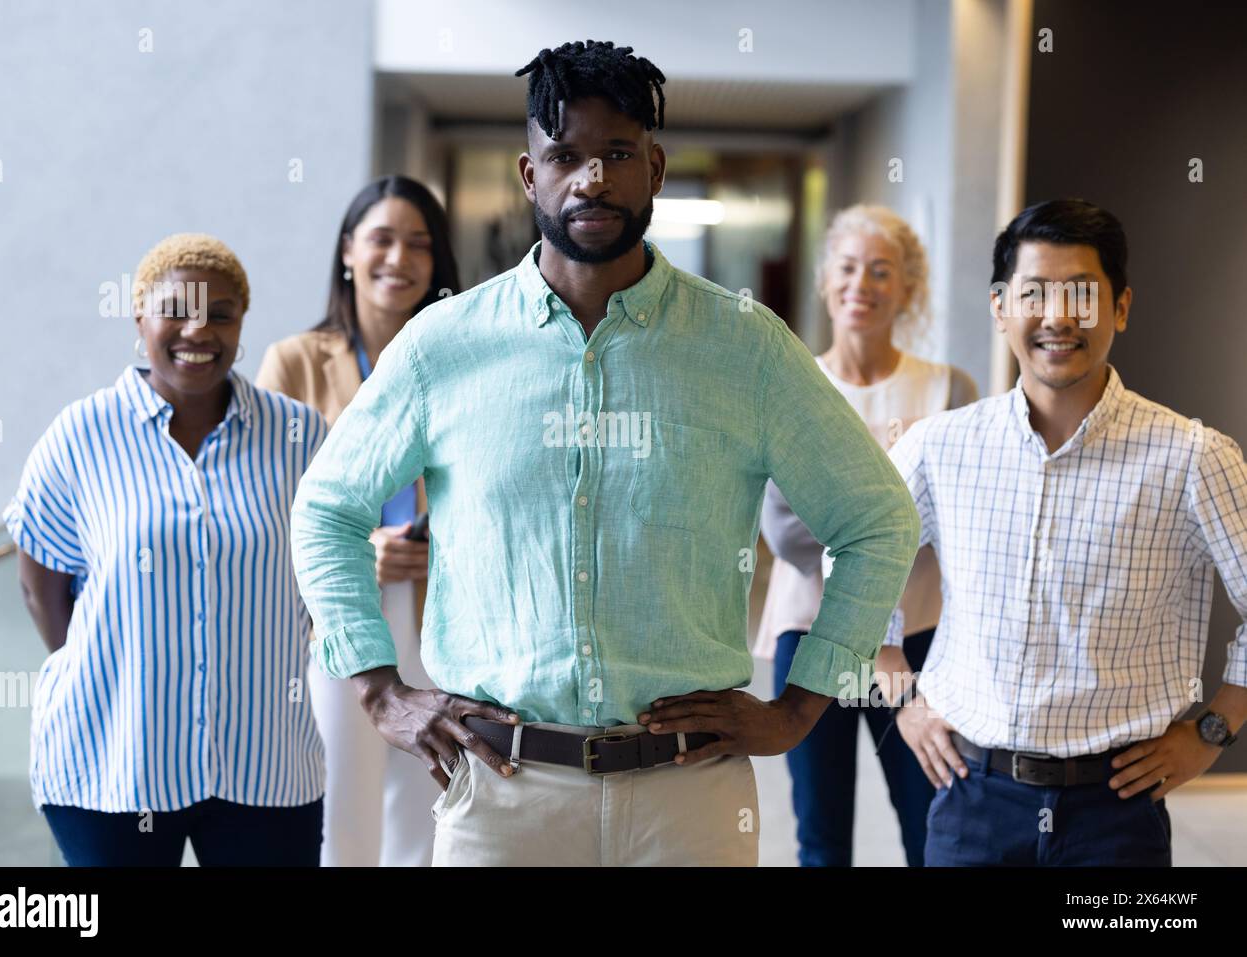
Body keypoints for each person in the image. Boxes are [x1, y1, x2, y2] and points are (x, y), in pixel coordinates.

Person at [290, 39, 920, 867]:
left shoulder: (745, 347)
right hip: (503, 791)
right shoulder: (443, 345)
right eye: (567, 156)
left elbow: (877, 520)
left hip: (689, 798)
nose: (592, 179)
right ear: (529, 176)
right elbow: (326, 506)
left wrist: (799, 707)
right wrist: (377, 688)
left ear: (655, 169)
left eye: (617, 154)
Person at [887, 199, 1247, 866]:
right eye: (1033, 293)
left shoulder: (1191, 456)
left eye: (1082, 293)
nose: (1057, 316)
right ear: (1001, 308)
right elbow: (849, 561)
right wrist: (896, 682)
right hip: (973, 797)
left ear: (1121, 308)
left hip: (1116, 811)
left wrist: (1216, 724)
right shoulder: (940, 446)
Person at [5, 233, 328, 866]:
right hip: (113, 760)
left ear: (241, 323)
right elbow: (39, 585)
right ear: (140, 318)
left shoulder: (299, 436)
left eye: (222, 313)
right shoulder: (80, 435)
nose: (198, 330)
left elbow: (322, 571)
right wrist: (120, 673)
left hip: (264, 763)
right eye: (176, 309)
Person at [758, 203, 979, 866]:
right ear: (826, 281)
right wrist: (898, 505)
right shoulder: (793, 383)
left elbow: (962, 518)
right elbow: (785, 532)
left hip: (919, 639)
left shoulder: (948, 390)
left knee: (931, 821)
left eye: (882, 271)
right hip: (811, 633)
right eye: (848, 268)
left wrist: (852, 510)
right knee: (821, 837)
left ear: (907, 288)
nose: (863, 283)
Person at [256, 176, 460, 867]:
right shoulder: (296, 362)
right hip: (340, 609)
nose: (399, 258)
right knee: (341, 801)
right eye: (382, 239)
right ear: (348, 251)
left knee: (430, 800)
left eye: (419, 244)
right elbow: (266, 501)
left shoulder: (459, 362)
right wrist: (358, 546)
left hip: (441, 607)